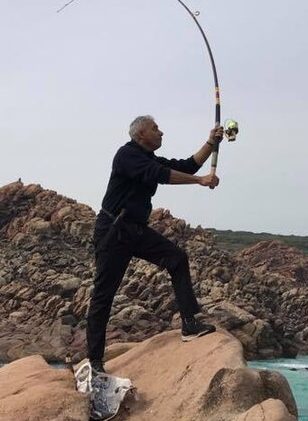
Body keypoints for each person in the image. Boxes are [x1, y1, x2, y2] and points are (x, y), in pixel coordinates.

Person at [86, 115, 223, 374]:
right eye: (155, 128)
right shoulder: (126, 155)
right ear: (140, 135)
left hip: (136, 230)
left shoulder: (148, 156)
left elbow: (187, 165)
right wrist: (201, 181)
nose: (161, 132)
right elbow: (159, 175)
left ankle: (189, 324)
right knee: (103, 295)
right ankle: (94, 361)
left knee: (177, 258)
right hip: (113, 230)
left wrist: (210, 142)